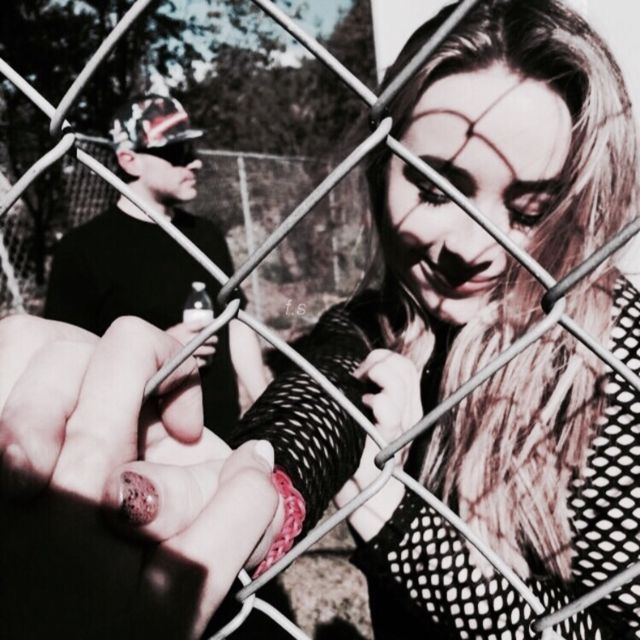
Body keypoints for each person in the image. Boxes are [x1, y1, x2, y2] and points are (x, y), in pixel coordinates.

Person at [2, 0, 640, 638]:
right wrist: (244, 480)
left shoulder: (615, 354)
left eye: (530, 212)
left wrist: (400, 520)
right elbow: (319, 397)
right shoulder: (374, 321)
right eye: (436, 189)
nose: (471, 246)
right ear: (380, 169)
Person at [44, 94, 270, 442]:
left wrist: (266, 408)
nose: (194, 163)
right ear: (130, 160)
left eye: (192, 150)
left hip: (225, 437)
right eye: (177, 152)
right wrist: (157, 349)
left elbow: (235, 325)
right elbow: (69, 362)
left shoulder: (206, 235)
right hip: (141, 445)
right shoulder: (82, 250)